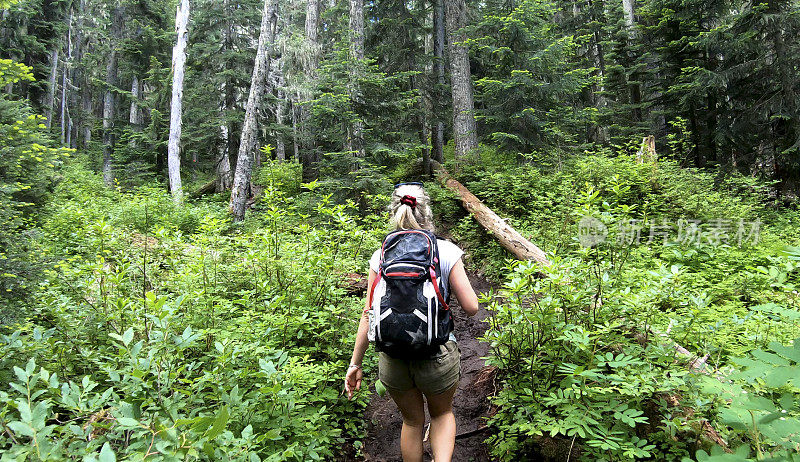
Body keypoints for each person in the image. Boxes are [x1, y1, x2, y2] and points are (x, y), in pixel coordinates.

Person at [344, 182, 479, 462]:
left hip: (393, 360)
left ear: (394, 212)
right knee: (441, 414)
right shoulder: (446, 250)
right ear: (427, 212)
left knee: (412, 422)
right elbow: (472, 307)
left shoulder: (380, 255)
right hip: (437, 355)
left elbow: (368, 313)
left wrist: (355, 364)